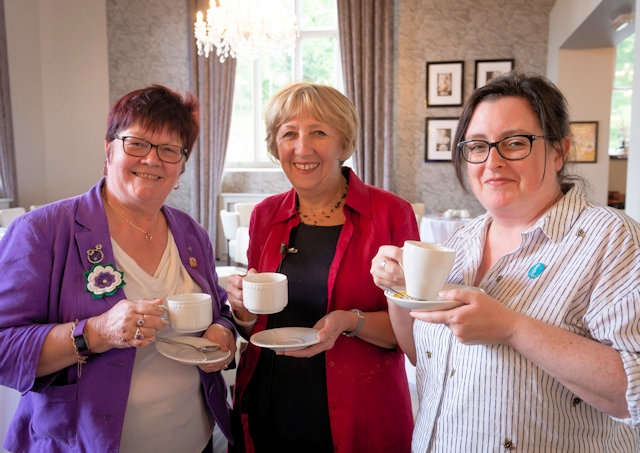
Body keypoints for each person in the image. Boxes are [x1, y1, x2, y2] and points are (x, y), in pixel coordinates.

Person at [371, 72, 640, 451]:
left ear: (559, 151)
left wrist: (513, 329)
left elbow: (634, 391)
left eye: (515, 143)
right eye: (478, 146)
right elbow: (423, 357)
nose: (492, 162)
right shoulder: (459, 242)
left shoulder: (612, 239)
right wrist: (397, 288)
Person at [0, 85, 237, 452]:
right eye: (137, 143)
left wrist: (223, 333)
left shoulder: (191, 232)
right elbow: (4, 347)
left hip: (194, 438)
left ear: (182, 165)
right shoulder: (43, 232)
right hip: (85, 443)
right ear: (109, 148)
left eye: (169, 150)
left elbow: (219, 309)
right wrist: (96, 332)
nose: (153, 160)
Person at [226, 82, 417, 452]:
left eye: (318, 132)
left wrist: (350, 321)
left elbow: (412, 332)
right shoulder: (265, 215)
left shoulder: (391, 214)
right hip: (270, 399)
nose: (302, 148)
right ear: (275, 146)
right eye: (289, 134)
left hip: (359, 405)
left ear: (343, 143)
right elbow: (255, 325)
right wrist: (241, 308)